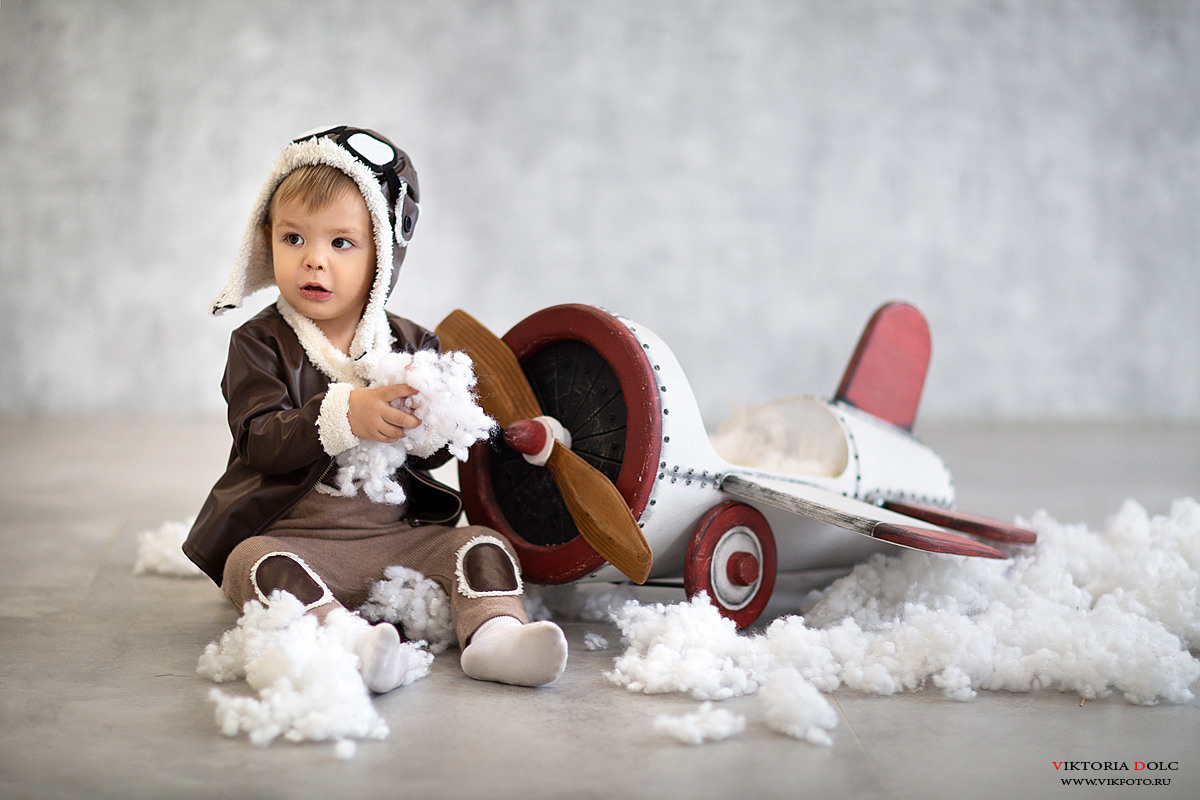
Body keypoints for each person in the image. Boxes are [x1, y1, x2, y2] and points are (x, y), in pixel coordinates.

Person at [183, 126, 568, 691]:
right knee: (249, 563)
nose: (314, 261)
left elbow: (437, 456)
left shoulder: (411, 344)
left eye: (341, 243)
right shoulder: (259, 344)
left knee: (479, 544)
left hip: (397, 541)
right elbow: (259, 440)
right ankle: (347, 641)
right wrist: (345, 415)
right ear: (266, 239)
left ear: (382, 257)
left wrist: (431, 419)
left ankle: (494, 637)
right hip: (298, 541)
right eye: (294, 239)